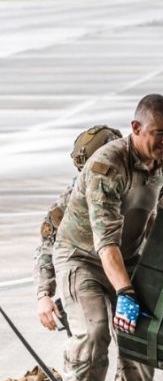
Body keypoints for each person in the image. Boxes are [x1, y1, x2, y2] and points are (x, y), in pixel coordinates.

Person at [53, 94, 163, 381]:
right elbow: (105, 242)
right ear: (136, 128)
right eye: (158, 132)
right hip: (84, 259)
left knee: (139, 344)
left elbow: (159, 214)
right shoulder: (105, 167)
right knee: (94, 333)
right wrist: (125, 292)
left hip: (129, 259)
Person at [36, 125, 123, 332]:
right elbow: (47, 247)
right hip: (89, 269)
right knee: (90, 336)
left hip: (128, 268)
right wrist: (44, 295)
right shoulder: (69, 201)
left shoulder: (132, 185)